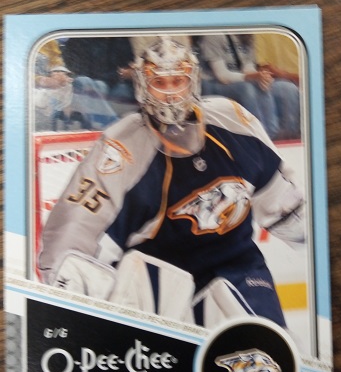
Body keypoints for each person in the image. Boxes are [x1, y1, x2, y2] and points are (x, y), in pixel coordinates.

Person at [38, 37, 305, 329]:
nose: (170, 94)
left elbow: (280, 198)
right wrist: (70, 298)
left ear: (193, 82)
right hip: (158, 281)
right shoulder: (120, 149)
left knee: (264, 348)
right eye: (159, 83)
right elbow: (75, 230)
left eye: (178, 81)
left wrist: (309, 236)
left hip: (238, 264)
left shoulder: (232, 120)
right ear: (142, 85)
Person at [197, 34, 300, 140]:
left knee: (287, 88)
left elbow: (248, 69)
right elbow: (222, 76)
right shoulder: (213, 37)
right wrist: (253, 77)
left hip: (242, 80)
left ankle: (289, 136)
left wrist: (263, 77)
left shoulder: (246, 36)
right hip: (214, 84)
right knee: (248, 89)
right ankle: (263, 136)